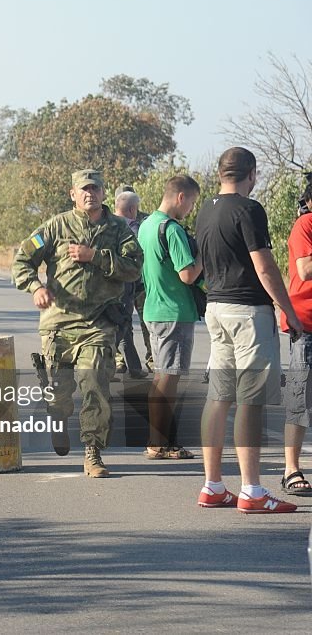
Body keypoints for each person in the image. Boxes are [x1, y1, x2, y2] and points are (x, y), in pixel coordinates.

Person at [12, 169, 143, 477]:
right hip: (59, 323)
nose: (90, 194)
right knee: (60, 391)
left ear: (103, 192)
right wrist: (36, 287)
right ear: (73, 194)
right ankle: (57, 416)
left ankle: (93, 452)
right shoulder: (55, 227)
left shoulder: (119, 229)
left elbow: (135, 267)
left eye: (95, 188)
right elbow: (22, 259)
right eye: (83, 189)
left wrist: (96, 256)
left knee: (95, 386)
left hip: (99, 323)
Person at [194, 147, 301, 513]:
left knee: (219, 397)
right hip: (249, 313)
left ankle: (212, 485)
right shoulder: (248, 209)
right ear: (251, 174)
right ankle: (252, 491)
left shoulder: (205, 209)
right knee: (250, 400)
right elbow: (265, 268)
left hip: (216, 308)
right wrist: (289, 312)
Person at [137, 175, 203, 460]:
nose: (190, 209)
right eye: (191, 202)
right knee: (169, 378)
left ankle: (159, 440)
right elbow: (187, 274)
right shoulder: (172, 229)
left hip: (154, 308)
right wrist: (203, 254)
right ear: (180, 197)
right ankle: (160, 442)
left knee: (161, 377)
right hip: (174, 311)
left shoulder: (146, 225)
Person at [280, 178, 312, 497]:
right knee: (301, 398)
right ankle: (292, 468)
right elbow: (304, 269)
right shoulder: (305, 224)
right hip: (306, 322)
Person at [114, 184, 154, 373]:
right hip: (127, 282)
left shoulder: (145, 220)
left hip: (141, 282)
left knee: (146, 320)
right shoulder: (113, 223)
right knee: (123, 322)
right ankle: (120, 360)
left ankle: (152, 357)